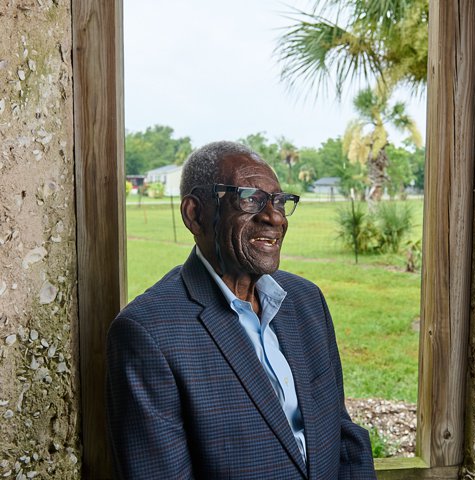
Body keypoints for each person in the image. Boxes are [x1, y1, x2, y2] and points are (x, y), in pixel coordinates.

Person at [106, 141, 376, 479]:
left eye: (279, 201)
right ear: (195, 214)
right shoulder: (147, 332)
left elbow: (343, 436)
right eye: (250, 198)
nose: (275, 217)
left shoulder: (306, 302)